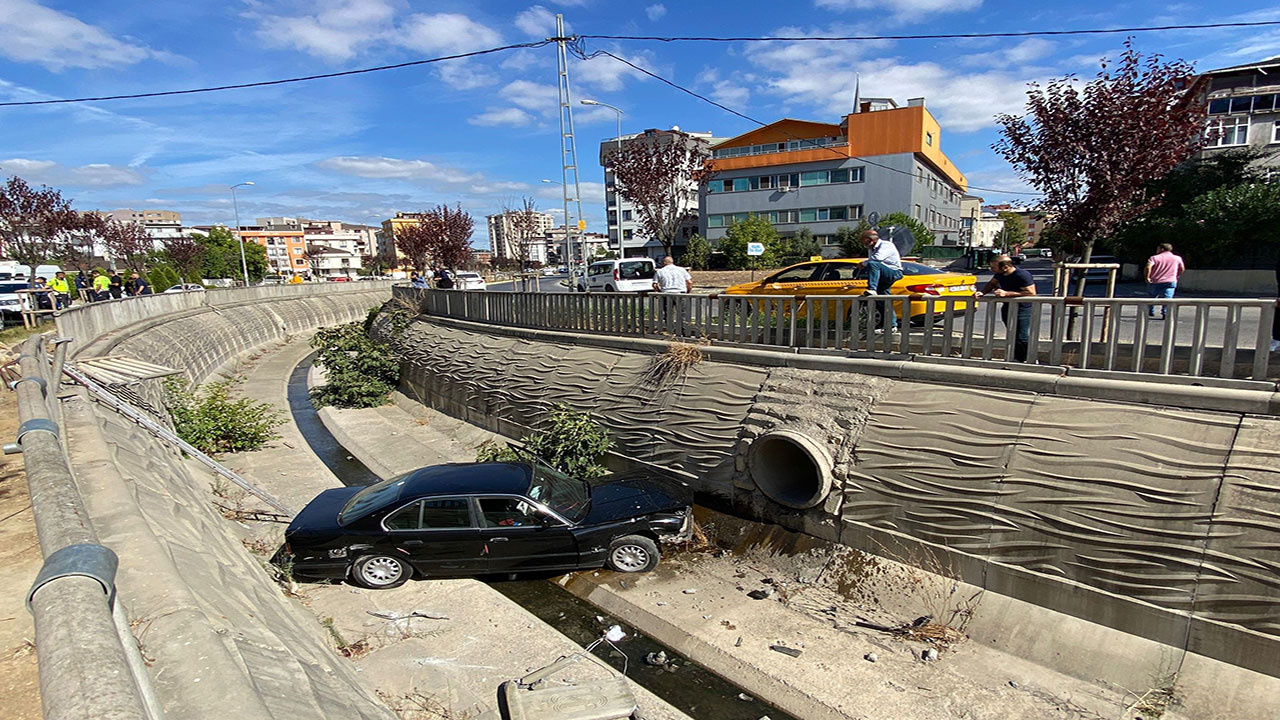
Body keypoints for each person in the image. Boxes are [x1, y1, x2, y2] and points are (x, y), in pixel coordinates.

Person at [978, 255, 1037, 362]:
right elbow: (992, 283)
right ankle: (1017, 358)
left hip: (1022, 308)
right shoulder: (1000, 274)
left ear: (1005, 267)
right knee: (1012, 333)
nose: (991, 270)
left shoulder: (1022, 275)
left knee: (1021, 335)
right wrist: (982, 292)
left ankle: (1030, 358)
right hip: (1007, 306)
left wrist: (1006, 293)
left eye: (994, 268)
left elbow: (1031, 292)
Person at [1144, 243, 1186, 319]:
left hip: (1155, 280)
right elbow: (1182, 268)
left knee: (1152, 297)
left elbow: (1148, 267)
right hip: (1170, 281)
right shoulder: (1177, 258)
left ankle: (1151, 311)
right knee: (1168, 298)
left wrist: (1147, 277)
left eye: (1158, 248)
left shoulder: (1154, 258)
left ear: (1162, 249)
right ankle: (1165, 313)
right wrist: (1177, 275)